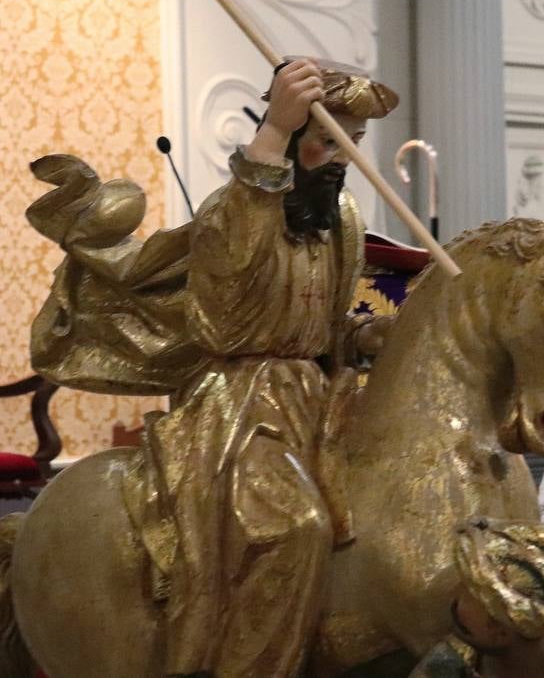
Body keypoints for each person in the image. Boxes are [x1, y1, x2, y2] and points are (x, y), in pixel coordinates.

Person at [27, 57, 399, 677]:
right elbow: (225, 296)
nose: (344, 158)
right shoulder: (239, 211)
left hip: (321, 399)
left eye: (354, 144)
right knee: (294, 528)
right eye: (329, 141)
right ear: (294, 136)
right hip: (241, 402)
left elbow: (325, 327)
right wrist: (275, 129)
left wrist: (365, 336)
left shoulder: (343, 218)